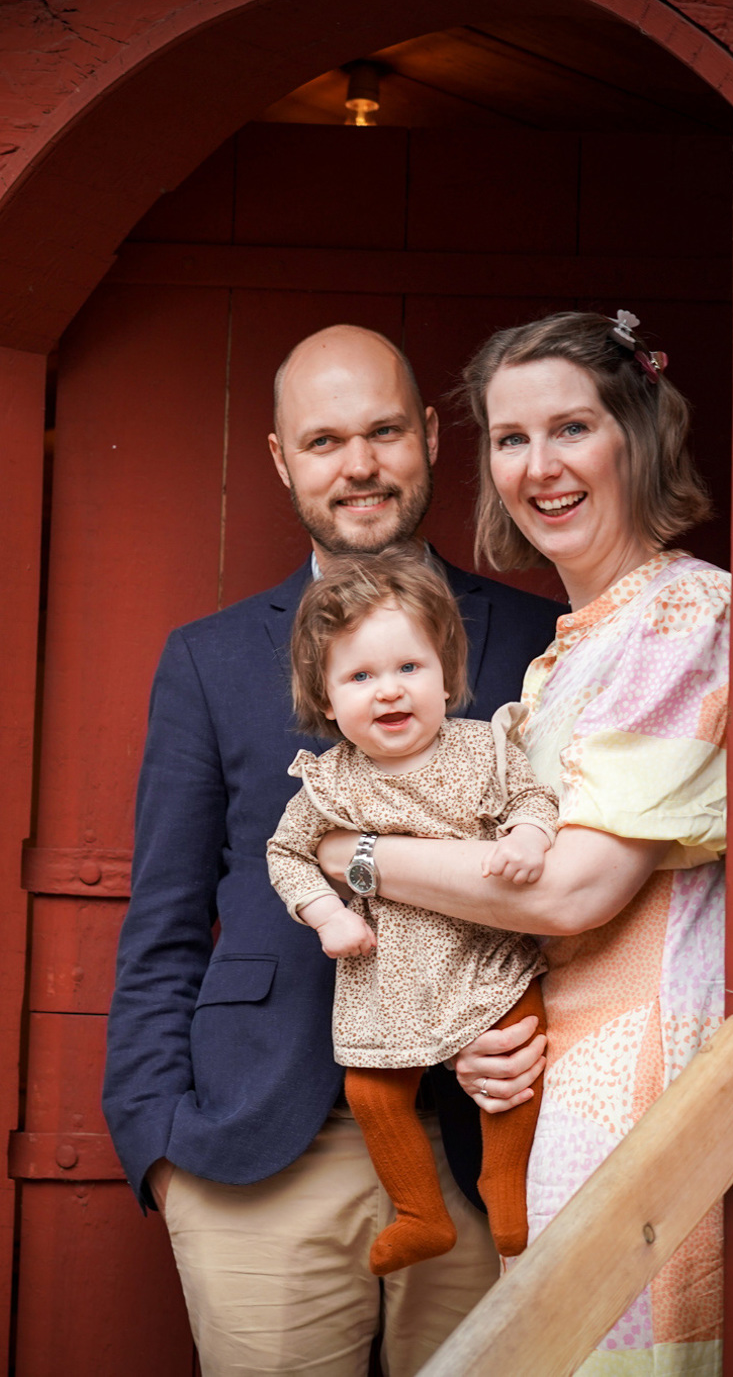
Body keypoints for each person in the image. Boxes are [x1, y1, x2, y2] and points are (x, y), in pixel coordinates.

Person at [103, 324, 566, 1375]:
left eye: (384, 432)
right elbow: (164, 920)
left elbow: (586, 888)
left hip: (492, 1141)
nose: (359, 465)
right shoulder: (210, 657)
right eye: (324, 441)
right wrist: (158, 1141)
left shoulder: (543, 640)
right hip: (264, 1152)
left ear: (432, 436)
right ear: (281, 459)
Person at [314, 310, 730, 1374]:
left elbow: (572, 891)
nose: (539, 467)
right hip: (556, 1072)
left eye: (572, 428)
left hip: (643, 1068)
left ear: (640, 433)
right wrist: (484, 1033)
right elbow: (519, 911)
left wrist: (352, 854)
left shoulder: (684, 614)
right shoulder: (564, 655)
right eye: (511, 438)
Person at [266, 547, 557, 1277]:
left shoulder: (480, 750)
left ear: (445, 677)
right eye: (360, 677)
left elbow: (533, 797)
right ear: (326, 700)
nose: (389, 691)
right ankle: (421, 1213)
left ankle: (505, 1185)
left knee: (518, 1049)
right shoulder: (331, 783)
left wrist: (527, 836)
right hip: (387, 969)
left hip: (482, 950)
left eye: (408, 668)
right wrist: (327, 916)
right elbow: (286, 853)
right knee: (371, 1089)